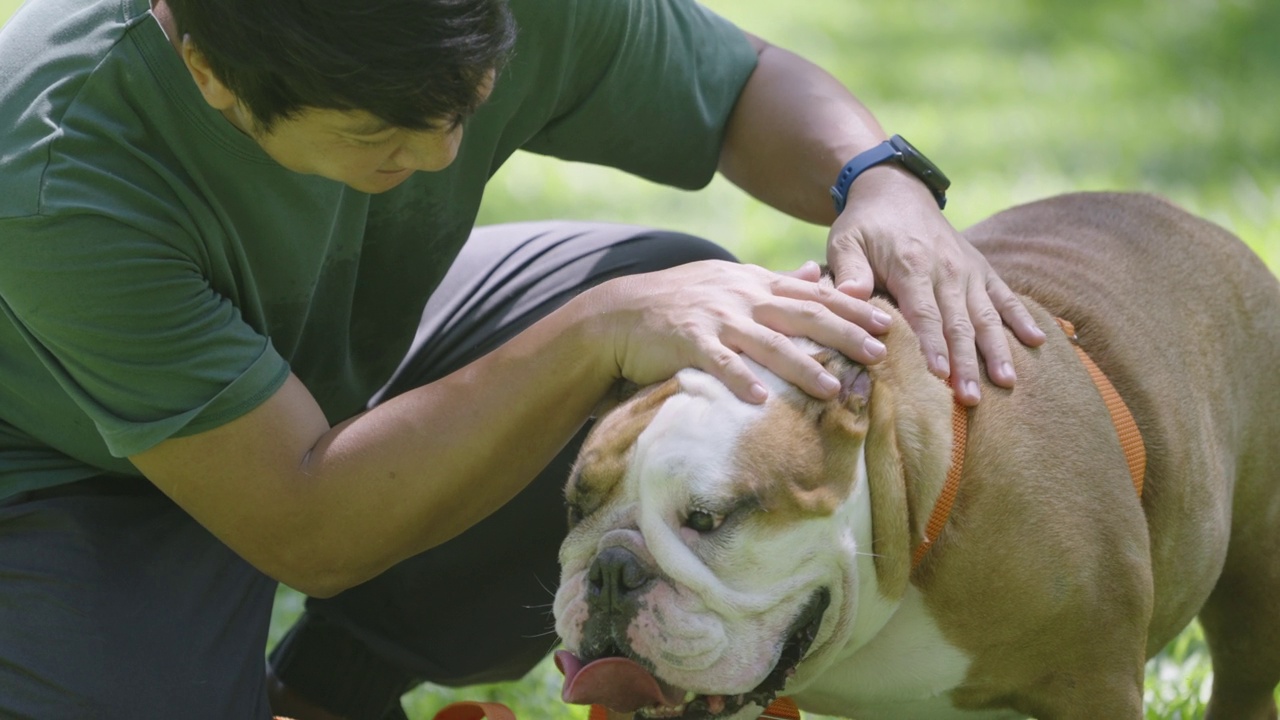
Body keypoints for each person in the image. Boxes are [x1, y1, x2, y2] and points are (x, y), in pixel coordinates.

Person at [0, 0, 1045, 717]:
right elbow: (303, 525)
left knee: (683, 292)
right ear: (210, 75)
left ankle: (330, 683)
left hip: (335, 353)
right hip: (66, 462)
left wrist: (878, 182)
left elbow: (734, 89)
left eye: (466, 104)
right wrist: (596, 328)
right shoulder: (55, 164)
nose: (445, 154)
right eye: (383, 135)